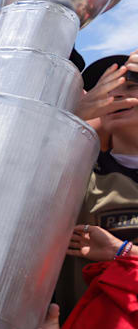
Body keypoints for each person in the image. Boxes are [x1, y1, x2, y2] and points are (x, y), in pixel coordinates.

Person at [54, 50, 138, 321]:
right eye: (107, 87)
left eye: (131, 85)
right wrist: (73, 118)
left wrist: (123, 253)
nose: (115, 94)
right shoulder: (78, 175)